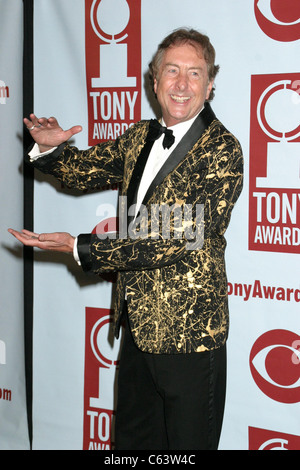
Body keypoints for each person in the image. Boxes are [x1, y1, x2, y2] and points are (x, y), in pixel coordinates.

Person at [9, 28, 243, 450]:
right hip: (137, 327)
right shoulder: (140, 136)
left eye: (195, 73)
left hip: (190, 337)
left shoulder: (222, 150)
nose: (182, 84)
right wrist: (52, 151)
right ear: (155, 81)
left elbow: (173, 239)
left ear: (210, 86)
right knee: (132, 446)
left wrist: (80, 247)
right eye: (172, 71)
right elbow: (87, 171)